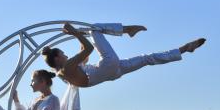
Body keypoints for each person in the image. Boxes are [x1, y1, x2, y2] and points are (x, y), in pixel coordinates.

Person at [43, 22, 205, 88]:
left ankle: (183, 49)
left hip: (112, 72)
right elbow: (88, 48)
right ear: (57, 57)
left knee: (146, 58)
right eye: (63, 54)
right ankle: (126, 30)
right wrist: (74, 32)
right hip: (107, 65)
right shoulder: (66, 69)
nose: (66, 55)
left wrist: (76, 34)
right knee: (94, 28)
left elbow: (83, 54)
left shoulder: (66, 72)